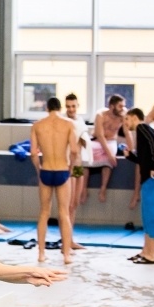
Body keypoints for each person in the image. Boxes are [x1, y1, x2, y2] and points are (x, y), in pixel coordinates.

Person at [30, 96, 78, 264]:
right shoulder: (68, 124)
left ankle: (41, 254)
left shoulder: (37, 125)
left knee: (44, 213)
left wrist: (39, 170)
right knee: (64, 213)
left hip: (46, 171)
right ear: (60, 108)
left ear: (47, 109)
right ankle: (66, 255)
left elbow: (34, 153)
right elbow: (74, 150)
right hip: (62, 171)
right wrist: (70, 168)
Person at [122, 108, 154, 264]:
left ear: (134, 117)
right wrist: (130, 156)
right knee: (148, 217)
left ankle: (152, 254)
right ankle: (146, 251)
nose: (126, 123)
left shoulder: (142, 128)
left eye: (127, 119)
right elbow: (143, 159)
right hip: (148, 178)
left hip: (152, 178)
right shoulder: (144, 131)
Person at [80, 94, 133, 204]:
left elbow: (128, 133)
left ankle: (103, 188)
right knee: (84, 158)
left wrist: (131, 149)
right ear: (112, 106)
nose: (122, 108)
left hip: (111, 142)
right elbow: (100, 135)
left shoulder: (123, 115)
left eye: (123, 106)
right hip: (96, 140)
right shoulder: (100, 114)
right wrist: (109, 154)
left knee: (109, 162)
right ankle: (83, 189)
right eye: (120, 106)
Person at [63, 93, 88, 249]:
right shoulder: (64, 123)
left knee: (75, 204)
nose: (71, 109)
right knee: (68, 205)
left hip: (79, 166)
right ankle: (66, 241)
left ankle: (70, 239)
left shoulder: (80, 121)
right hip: (69, 167)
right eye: (68, 106)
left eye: (73, 106)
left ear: (77, 106)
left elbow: (84, 143)